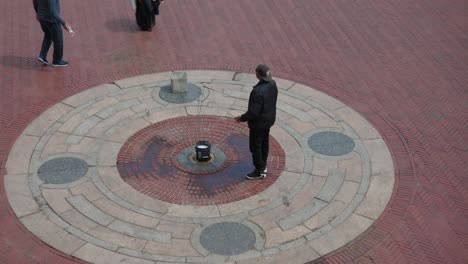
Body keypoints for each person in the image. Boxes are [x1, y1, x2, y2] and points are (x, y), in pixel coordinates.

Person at [235, 64, 278, 180]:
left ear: (258, 74)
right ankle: (263, 165)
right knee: (264, 142)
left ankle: (259, 170)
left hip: (258, 124)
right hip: (268, 121)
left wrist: (241, 118)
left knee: (256, 146)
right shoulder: (273, 84)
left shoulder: (258, 91)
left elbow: (253, 113)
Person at [33, 0, 70, 67]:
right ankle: (57, 60)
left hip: (42, 18)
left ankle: (42, 56)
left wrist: (37, 12)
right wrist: (63, 23)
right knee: (58, 40)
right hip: (51, 21)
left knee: (48, 36)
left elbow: (34, 2)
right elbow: (52, 12)